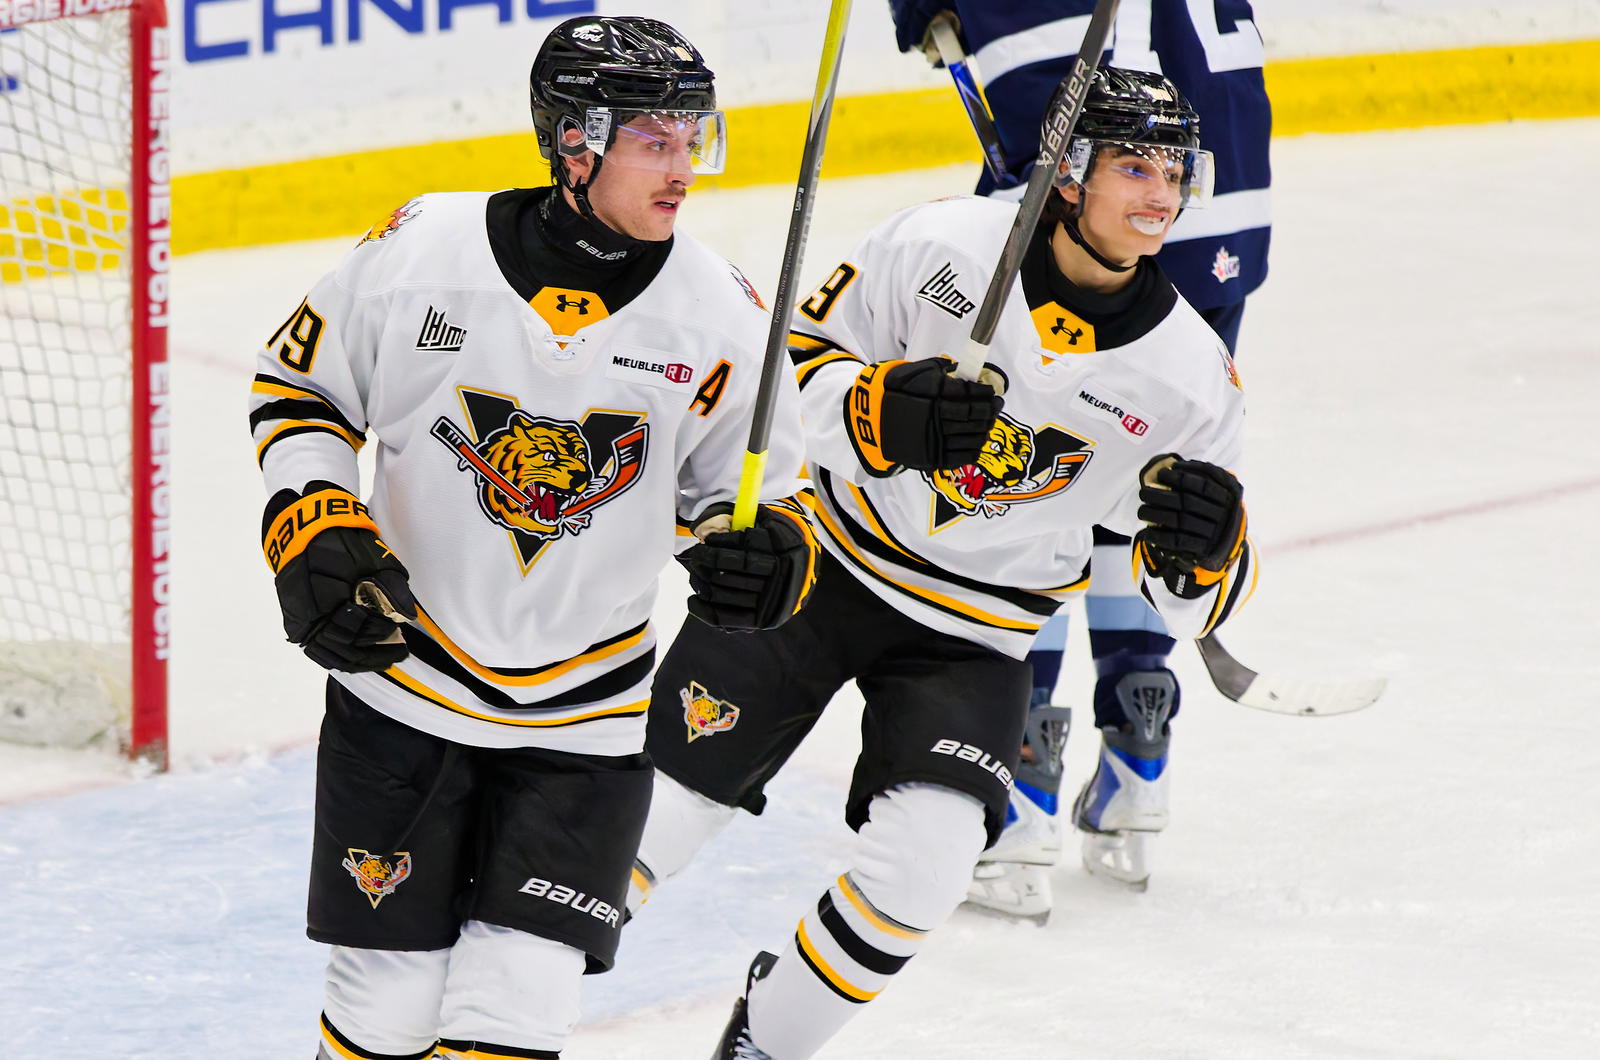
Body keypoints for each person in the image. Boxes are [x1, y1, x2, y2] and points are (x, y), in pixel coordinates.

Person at [629, 68, 1255, 1058]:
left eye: (1176, 170)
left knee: (922, 874)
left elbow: (1204, 594)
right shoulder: (934, 246)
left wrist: (1209, 552)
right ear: (1066, 171)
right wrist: (872, 410)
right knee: (635, 838)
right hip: (820, 571)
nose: (1162, 195)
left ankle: (766, 1040)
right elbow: (778, 369)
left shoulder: (1189, 374)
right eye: (1135, 165)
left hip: (974, 634)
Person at [247, 16, 819, 1060]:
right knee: (384, 1008)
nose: (685, 167)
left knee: (519, 1007)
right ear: (574, 142)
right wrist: (311, 516)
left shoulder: (721, 314)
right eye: (657, 140)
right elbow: (300, 388)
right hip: (402, 684)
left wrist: (763, 553)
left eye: (695, 138)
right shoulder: (421, 250)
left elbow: (758, 496)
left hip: (588, 718)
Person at [889, 0, 1273, 897]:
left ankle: (1019, 794)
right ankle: (1139, 763)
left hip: (1086, 209)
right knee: (1148, 495)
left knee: (1029, 481)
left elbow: (1058, 72)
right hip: (1214, 207)